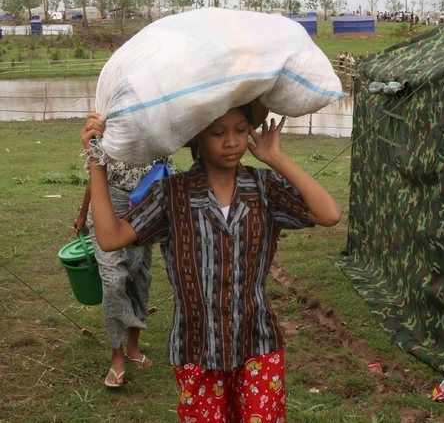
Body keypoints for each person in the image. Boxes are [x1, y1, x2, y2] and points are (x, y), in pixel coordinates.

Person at [80, 103, 341, 421]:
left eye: (241, 130)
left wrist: (276, 157)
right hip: (197, 348)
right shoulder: (172, 195)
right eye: (218, 132)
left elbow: (329, 214)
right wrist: (97, 162)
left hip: (257, 341)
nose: (231, 142)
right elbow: (110, 237)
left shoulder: (264, 188)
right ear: (196, 137)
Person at [73, 157, 171, 388]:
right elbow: (95, 179)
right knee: (113, 281)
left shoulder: (157, 141)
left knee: (139, 279)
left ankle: (132, 348)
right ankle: (117, 355)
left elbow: (166, 179)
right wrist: (81, 214)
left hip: (143, 213)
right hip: (106, 211)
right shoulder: (109, 137)